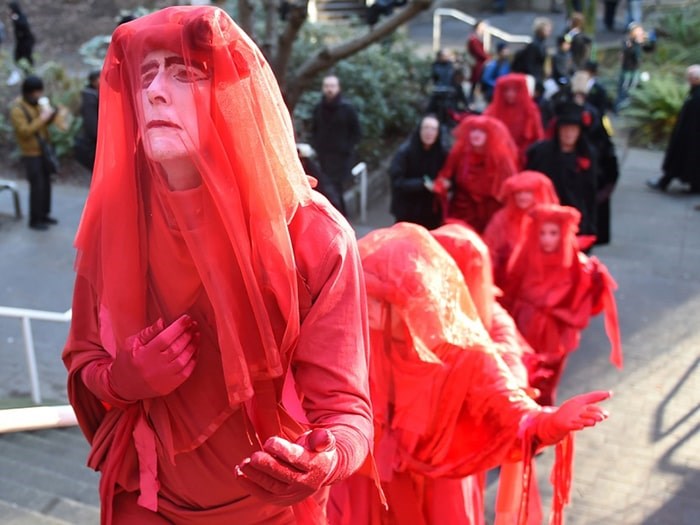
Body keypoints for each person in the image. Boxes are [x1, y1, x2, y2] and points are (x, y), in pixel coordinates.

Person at [61, 6, 373, 524]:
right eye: (146, 75)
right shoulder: (113, 223)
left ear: (232, 97)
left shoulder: (314, 238)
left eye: (186, 73)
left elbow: (347, 410)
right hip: (144, 500)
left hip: (270, 512)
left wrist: (327, 457)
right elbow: (82, 362)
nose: (155, 91)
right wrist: (123, 381)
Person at [328, 222, 612, 525]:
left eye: (378, 300)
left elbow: (507, 407)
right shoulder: (356, 336)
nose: (365, 306)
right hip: (362, 485)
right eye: (364, 294)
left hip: (438, 489)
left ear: (412, 301)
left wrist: (550, 422)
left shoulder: (462, 351)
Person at [501, 204, 622, 406]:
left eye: (553, 233)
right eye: (542, 233)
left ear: (563, 234)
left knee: (547, 384)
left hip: (557, 334)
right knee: (520, 380)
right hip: (525, 328)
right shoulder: (524, 257)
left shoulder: (576, 263)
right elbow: (510, 290)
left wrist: (594, 280)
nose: (547, 238)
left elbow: (585, 302)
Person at [434, 115, 518, 233]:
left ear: (489, 135)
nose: (476, 135)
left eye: (481, 131)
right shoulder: (459, 152)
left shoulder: (501, 158)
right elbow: (445, 174)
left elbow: (511, 187)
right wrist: (441, 185)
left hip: (490, 213)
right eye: (473, 130)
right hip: (462, 209)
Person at [526, 101, 599, 237]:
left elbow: (590, 192)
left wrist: (590, 226)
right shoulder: (540, 152)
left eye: (573, 129)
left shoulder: (587, 154)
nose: (568, 134)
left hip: (575, 218)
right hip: (544, 216)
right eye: (565, 129)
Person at [483, 170, 560, 288]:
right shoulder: (501, 219)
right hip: (508, 282)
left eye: (528, 192)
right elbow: (489, 250)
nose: (522, 197)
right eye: (518, 192)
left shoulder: (552, 218)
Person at [8, 75, 58, 230]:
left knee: (46, 184)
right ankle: (35, 220)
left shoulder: (36, 104)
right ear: (29, 92)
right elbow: (24, 131)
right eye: (37, 92)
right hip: (31, 153)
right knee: (37, 186)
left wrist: (50, 115)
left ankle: (44, 214)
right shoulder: (17, 109)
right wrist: (42, 119)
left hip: (43, 149)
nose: (39, 95)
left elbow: (43, 124)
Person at [310, 74, 362, 217]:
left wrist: (347, 148)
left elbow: (357, 132)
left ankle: (341, 217)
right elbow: (314, 129)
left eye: (332, 86)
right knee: (327, 189)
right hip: (324, 157)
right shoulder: (319, 108)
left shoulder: (347, 109)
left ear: (338, 88)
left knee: (336, 189)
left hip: (342, 158)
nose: (329, 89)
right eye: (327, 86)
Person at [647, 64, 700, 194]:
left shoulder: (697, 97)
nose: (688, 80)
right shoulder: (694, 93)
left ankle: (666, 182)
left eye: (690, 77)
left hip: (690, 137)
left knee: (680, 161)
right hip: (688, 136)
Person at [389, 114, 447, 230]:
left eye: (433, 129)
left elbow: (450, 177)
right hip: (407, 210)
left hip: (432, 213)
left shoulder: (443, 153)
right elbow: (397, 182)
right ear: (419, 130)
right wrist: (422, 184)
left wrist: (447, 184)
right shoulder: (405, 152)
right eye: (426, 128)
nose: (429, 132)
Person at [484, 73, 545, 168]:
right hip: (496, 158)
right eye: (506, 90)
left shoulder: (530, 111)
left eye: (514, 90)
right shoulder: (493, 110)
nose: (510, 94)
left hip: (523, 158)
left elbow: (538, 136)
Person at [616, 22, 655, 110]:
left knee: (633, 89)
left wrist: (653, 41)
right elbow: (630, 52)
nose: (641, 33)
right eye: (638, 32)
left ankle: (628, 107)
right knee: (624, 90)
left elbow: (649, 50)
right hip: (627, 71)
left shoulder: (639, 43)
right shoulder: (627, 43)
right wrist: (637, 43)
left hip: (635, 70)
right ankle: (619, 108)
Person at [74, 70, 100, 172]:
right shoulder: (90, 98)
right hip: (92, 145)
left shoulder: (93, 95)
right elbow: (92, 125)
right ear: (93, 81)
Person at [512, 18, 552, 84]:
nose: (549, 32)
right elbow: (530, 65)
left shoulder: (542, 44)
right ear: (540, 30)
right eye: (547, 30)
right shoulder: (534, 45)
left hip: (538, 77)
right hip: (533, 79)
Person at [466, 20, 489, 101]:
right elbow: (479, 52)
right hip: (477, 65)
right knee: (475, 83)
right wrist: (488, 58)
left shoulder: (476, 38)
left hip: (479, 64)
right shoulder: (473, 39)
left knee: (476, 83)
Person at [8, 1, 34, 66]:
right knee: (17, 57)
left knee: (27, 57)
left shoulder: (21, 16)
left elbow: (24, 26)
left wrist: (16, 19)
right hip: (20, 41)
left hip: (26, 41)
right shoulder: (15, 16)